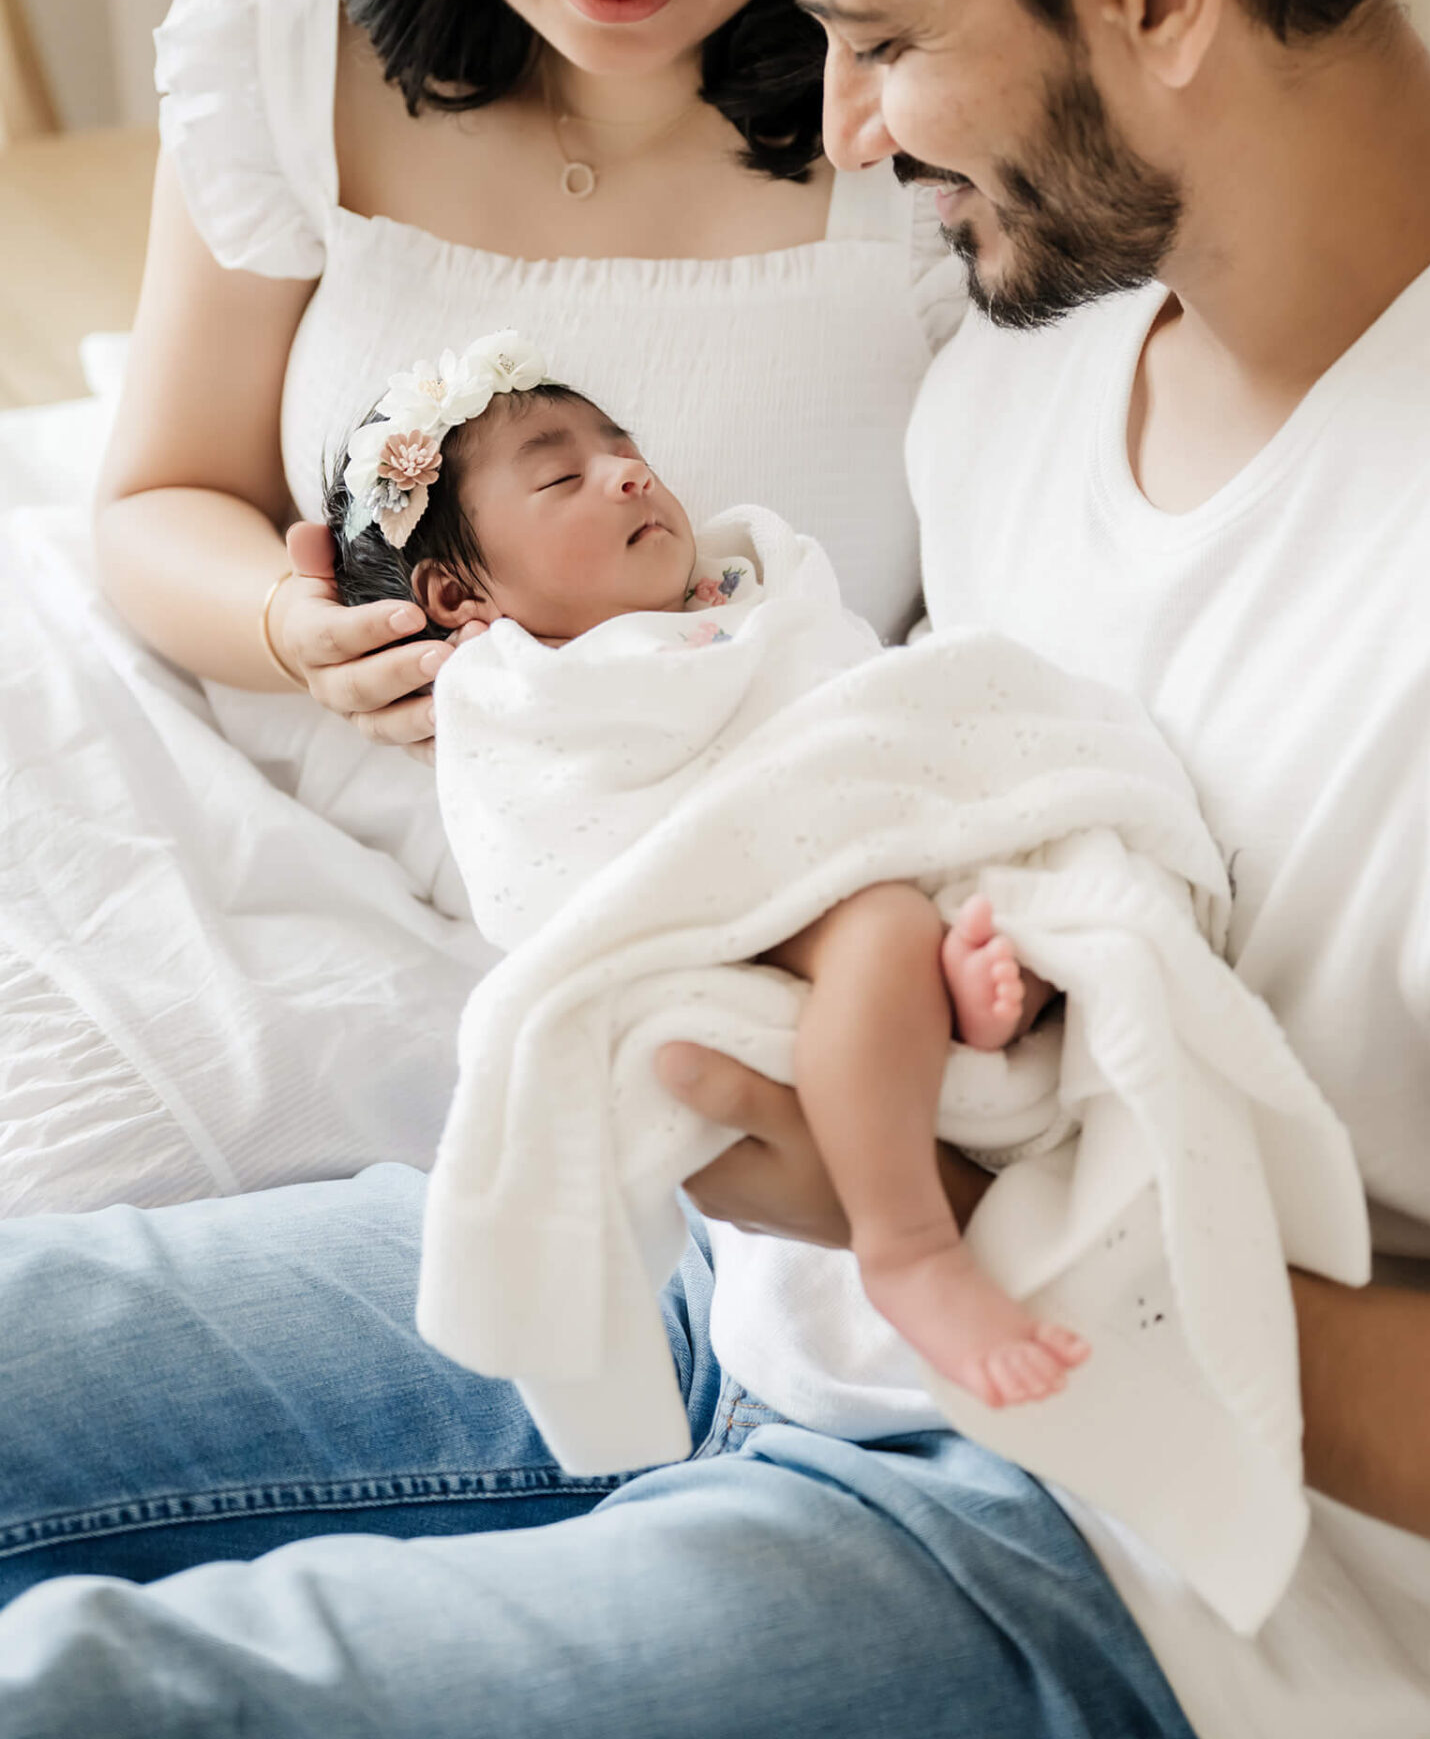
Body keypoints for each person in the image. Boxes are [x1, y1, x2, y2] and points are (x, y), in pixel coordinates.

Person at [0, 0, 1430, 1739]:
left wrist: (933, 1200)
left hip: (1120, 1552)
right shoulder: (1036, 360)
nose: (834, 126)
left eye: (878, 31)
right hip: (746, 1258)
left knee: (95, 1717)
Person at [0, 0, 961, 1216]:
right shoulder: (303, 39)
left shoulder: (916, 128)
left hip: (667, 906)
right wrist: (302, 641)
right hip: (231, 808)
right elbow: (156, 500)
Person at [327, 335, 1080, 1410]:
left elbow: (845, 687)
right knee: (874, 930)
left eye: (624, 446)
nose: (629, 472)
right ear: (457, 595)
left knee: (1046, 872)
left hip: (874, 808)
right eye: (561, 476)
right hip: (738, 881)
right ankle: (909, 1243)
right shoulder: (527, 693)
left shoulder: (746, 580)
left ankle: (973, 1000)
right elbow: (567, 835)